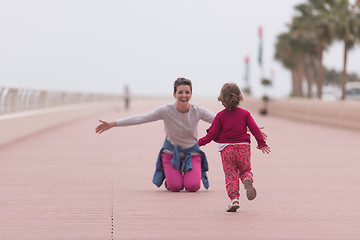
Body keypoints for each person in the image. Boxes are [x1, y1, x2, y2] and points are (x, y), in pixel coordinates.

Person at [95, 78, 214, 192]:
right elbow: (141, 118)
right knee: (175, 187)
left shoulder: (198, 111)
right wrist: (113, 124)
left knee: (192, 186)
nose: (184, 95)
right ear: (174, 94)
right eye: (180, 92)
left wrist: (232, 118)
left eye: (187, 92)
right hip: (171, 153)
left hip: (191, 153)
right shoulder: (166, 110)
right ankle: (171, 179)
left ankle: (188, 175)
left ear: (191, 94)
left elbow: (218, 120)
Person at [198, 83, 270, 212]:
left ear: (222, 99)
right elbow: (254, 129)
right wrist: (261, 144)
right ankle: (247, 179)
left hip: (227, 150)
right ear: (239, 97)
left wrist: (198, 143)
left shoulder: (220, 116)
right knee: (245, 170)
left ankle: (234, 199)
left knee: (231, 175)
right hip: (243, 148)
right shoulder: (245, 114)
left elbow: (212, 134)